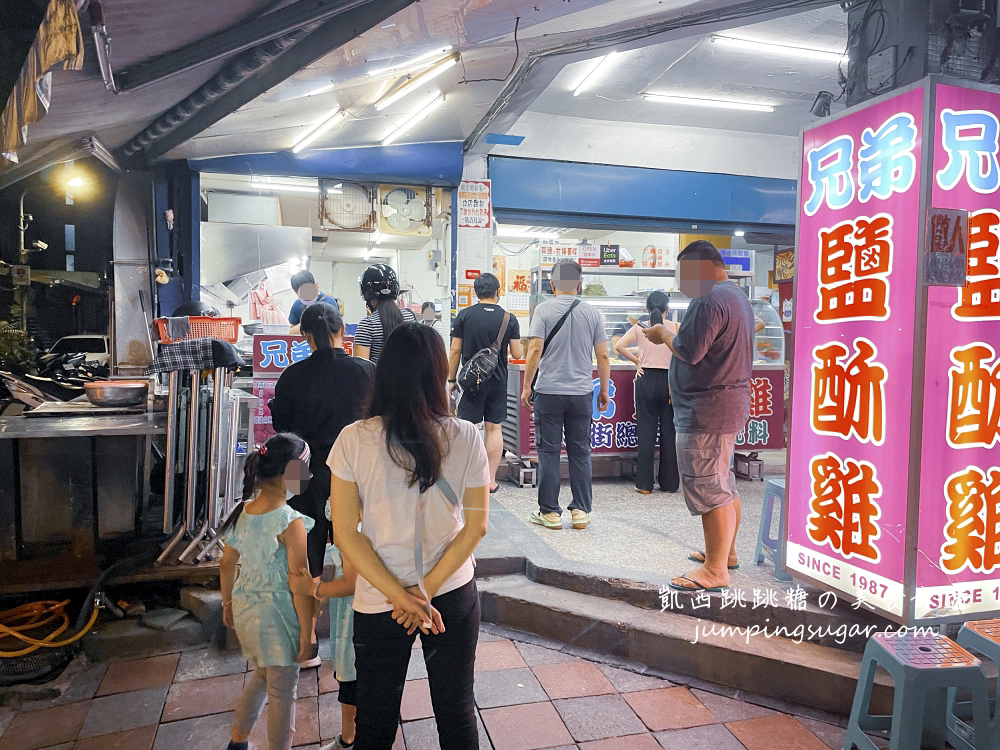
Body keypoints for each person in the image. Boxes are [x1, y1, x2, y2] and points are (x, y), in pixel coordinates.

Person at [300, 322, 489, 750]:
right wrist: (423, 592)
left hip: (379, 598)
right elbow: (476, 525)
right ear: (439, 372)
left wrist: (402, 597)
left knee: (376, 718)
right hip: (451, 592)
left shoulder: (353, 440)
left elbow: (347, 534)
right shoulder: (467, 436)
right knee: (456, 713)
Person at [643, 241, 753, 593]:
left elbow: (690, 350)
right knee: (722, 480)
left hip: (707, 409)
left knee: (708, 485)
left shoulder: (709, 299)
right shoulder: (735, 296)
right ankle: (726, 553)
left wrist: (662, 334)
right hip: (726, 404)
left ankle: (715, 570)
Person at [269, 302, 374, 670]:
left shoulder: (292, 376)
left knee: (304, 551)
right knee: (354, 548)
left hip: (302, 468)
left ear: (305, 335)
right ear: (343, 330)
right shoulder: (367, 371)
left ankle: (307, 641)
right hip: (356, 471)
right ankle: (355, 640)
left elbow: (284, 432)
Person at [220, 433, 316, 750]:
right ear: (290, 473)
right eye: (307, 469)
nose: (310, 476)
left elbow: (226, 564)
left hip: (248, 612)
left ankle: (238, 741)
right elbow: (299, 584)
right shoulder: (290, 522)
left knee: (263, 675)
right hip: (279, 617)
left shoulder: (242, 511)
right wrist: (306, 634)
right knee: (283, 693)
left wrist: (227, 603)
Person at [520, 260, 610, 531]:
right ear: (579, 284)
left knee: (548, 451)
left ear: (552, 283)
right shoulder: (593, 313)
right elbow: (603, 355)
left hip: (549, 392)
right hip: (581, 393)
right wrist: (603, 389)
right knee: (580, 451)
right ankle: (581, 511)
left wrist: (526, 386)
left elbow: (535, 349)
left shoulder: (543, 311)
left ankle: (550, 513)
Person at [448, 272, 523, 492]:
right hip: (497, 380)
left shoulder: (465, 315)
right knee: (494, 428)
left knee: (468, 428)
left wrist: (451, 380)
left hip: (472, 382)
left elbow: (454, 351)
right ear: (498, 292)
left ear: (475, 292)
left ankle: (465, 478)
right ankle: (490, 480)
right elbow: (517, 352)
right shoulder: (509, 318)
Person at [614, 291, 679, 494]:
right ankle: (669, 484)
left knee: (646, 432)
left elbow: (618, 346)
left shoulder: (640, 327)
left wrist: (638, 362)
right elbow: (683, 353)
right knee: (670, 433)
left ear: (647, 310)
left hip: (646, 380)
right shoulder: (675, 328)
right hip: (669, 382)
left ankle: (644, 485)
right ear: (668, 310)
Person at [353, 264, 417, 365]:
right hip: (411, 380)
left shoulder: (368, 325)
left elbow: (361, 370)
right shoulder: (410, 317)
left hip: (378, 381)